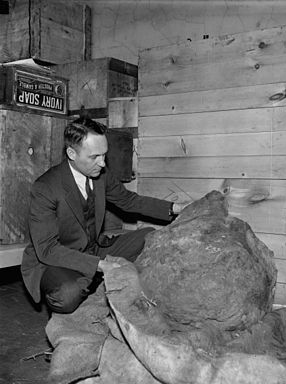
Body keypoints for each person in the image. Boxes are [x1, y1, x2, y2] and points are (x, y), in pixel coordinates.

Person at [21, 117, 186, 314]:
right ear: (71, 153)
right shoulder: (45, 188)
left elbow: (129, 201)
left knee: (150, 236)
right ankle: (89, 285)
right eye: (94, 157)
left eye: (104, 155)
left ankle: (99, 284)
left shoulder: (101, 174)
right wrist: (100, 266)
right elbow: (48, 250)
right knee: (67, 294)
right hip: (58, 259)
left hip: (93, 249)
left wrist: (177, 208)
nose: (102, 163)